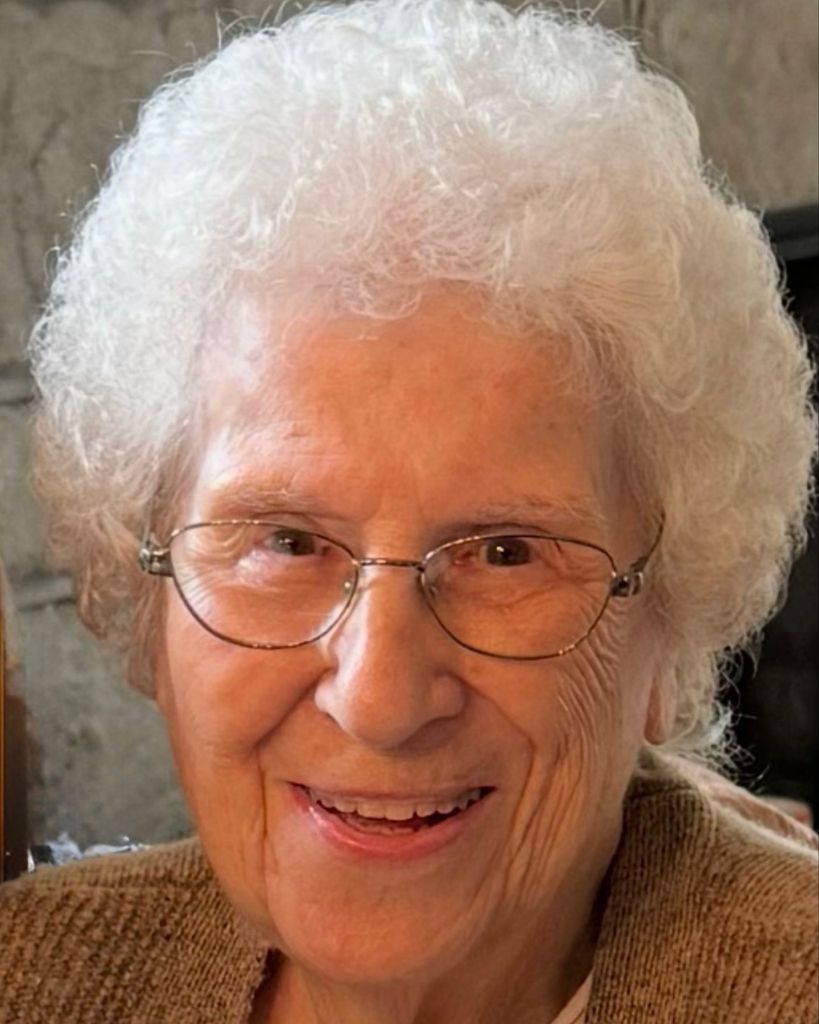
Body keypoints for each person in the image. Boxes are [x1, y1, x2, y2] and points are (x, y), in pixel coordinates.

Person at [1, 2, 816, 1021]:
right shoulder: (32, 975)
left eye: (506, 552)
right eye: (287, 541)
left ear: (672, 615)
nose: (380, 699)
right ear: (150, 601)